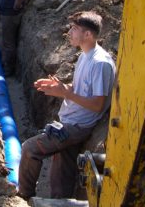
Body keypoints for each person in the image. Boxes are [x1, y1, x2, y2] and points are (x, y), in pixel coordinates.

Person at [17, 11, 116, 200]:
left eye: (75, 29)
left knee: (30, 149)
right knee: (62, 172)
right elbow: (81, 89)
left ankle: (23, 196)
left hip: (78, 126)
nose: (69, 32)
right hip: (70, 121)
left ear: (87, 35)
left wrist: (65, 93)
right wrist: (60, 88)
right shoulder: (85, 56)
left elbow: (97, 104)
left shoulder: (100, 64)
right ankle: (59, 201)